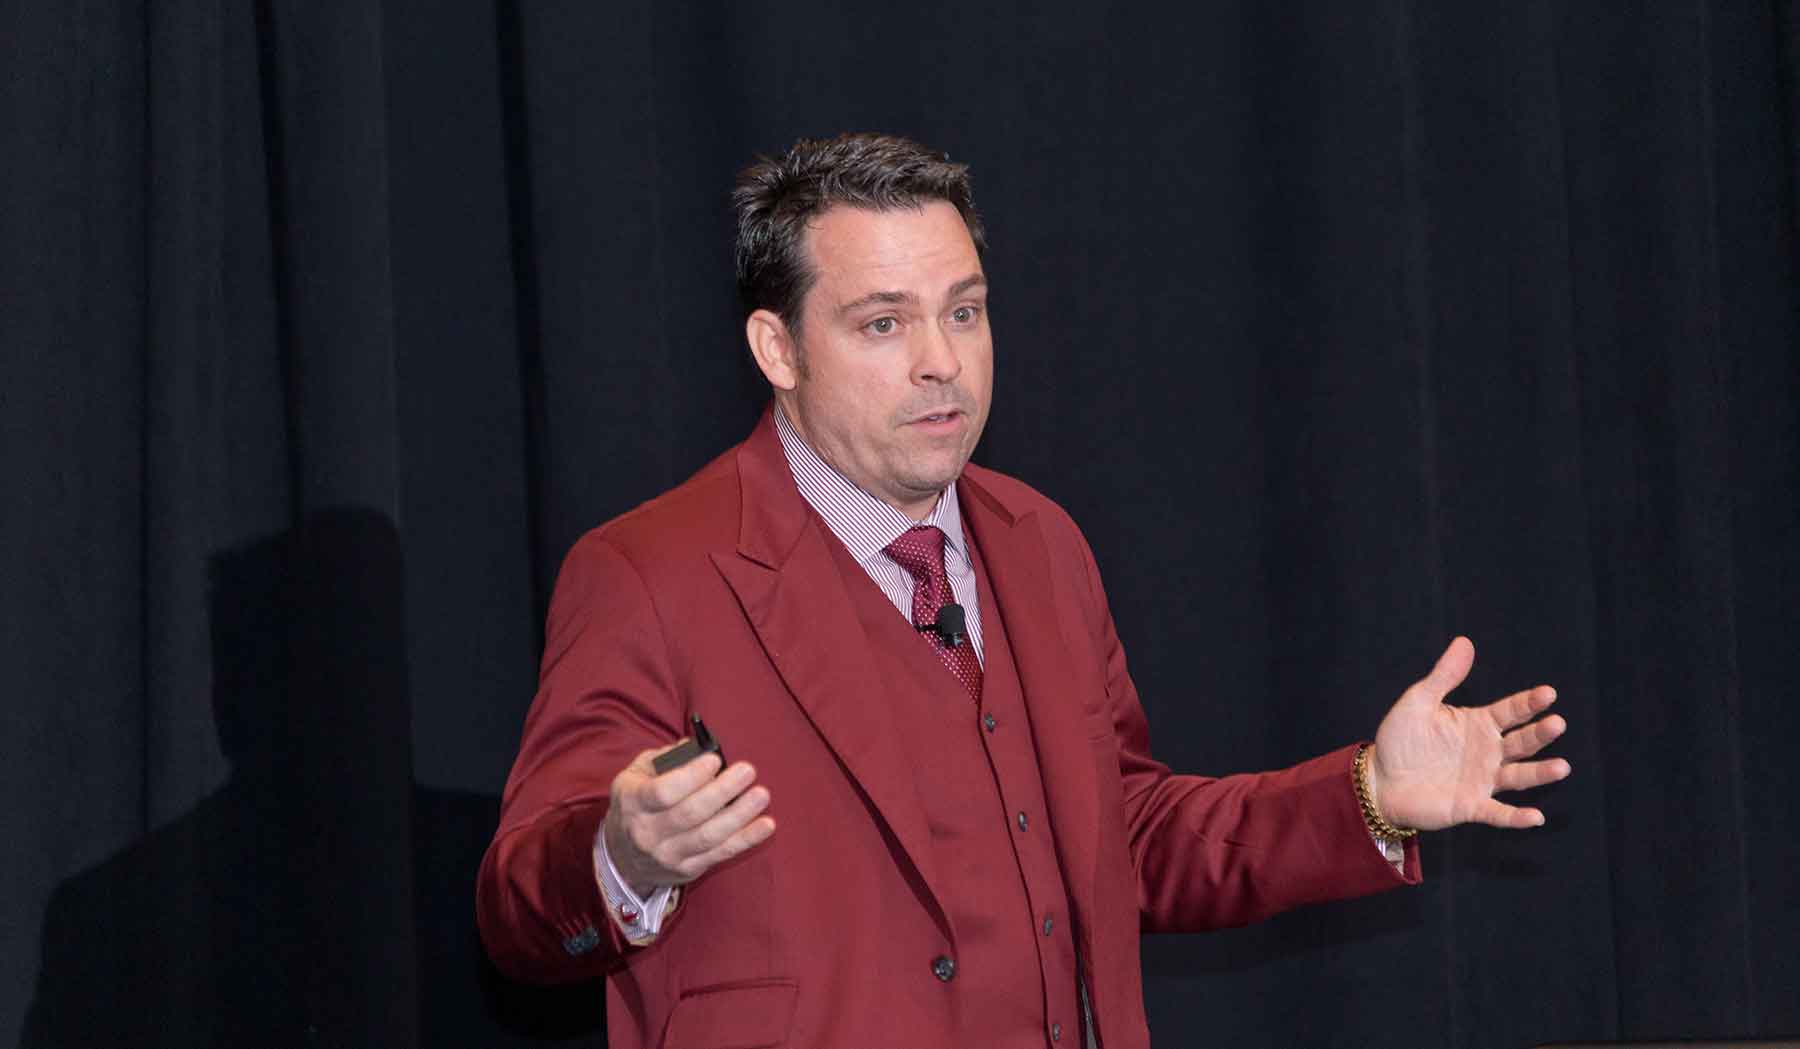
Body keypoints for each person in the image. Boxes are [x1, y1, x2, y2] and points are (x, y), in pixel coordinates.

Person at [475, 133, 1570, 1049]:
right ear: (778, 346)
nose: (942, 361)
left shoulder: (1040, 541)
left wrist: (1368, 792)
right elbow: (518, 910)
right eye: (883, 323)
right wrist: (622, 857)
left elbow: (1126, 835)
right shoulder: (651, 571)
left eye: (965, 310)